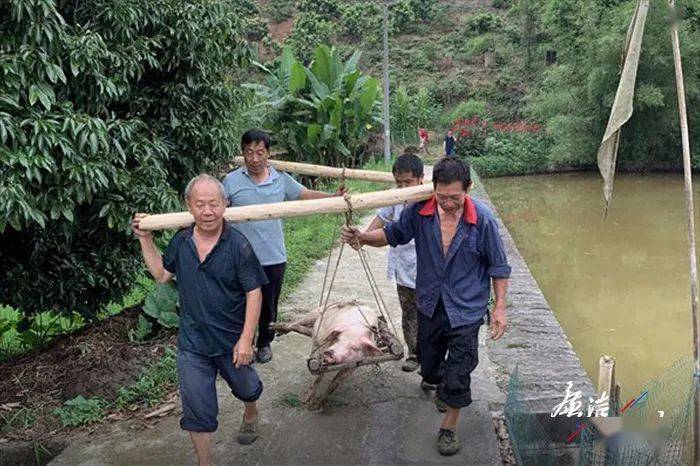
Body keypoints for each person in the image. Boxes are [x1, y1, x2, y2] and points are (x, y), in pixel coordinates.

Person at [340, 158, 510, 456]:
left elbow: (499, 266)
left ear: (468, 189)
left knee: (459, 370)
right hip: (430, 303)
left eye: (455, 197)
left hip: (467, 309)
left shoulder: (482, 220)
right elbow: (392, 236)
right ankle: (439, 379)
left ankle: (449, 425)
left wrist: (499, 308)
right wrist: (363, 237)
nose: (447, 203)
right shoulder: (420, 212)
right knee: (429, 366)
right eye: (442, 196)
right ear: (433, 189)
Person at [132, 174, 268, 466]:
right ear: (189, 207)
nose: (208, 212)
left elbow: (254, 292)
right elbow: (160, 274)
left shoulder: (238, 246)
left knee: (247, 387)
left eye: (214, 204)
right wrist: (146, 239)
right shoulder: (181, 242)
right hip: (193, 344)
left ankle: (251, 410)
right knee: (197, 412)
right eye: (200, 205)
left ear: (225, 205)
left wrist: (246, 339)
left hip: (232, 340)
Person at [223, 129, 346, 364]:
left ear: (268, 153)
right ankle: (241, 342)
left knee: (268, 304)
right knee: (238, 303)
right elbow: (218, 207)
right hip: (239, 258)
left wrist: (332, 196)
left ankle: (265, 342)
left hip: (272, 256)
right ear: (243, 154)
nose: (255, 158)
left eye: (260, 152)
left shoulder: (280, 179)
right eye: (249, 152)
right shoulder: (231, 181)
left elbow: (304, 194)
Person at [364, 153, 424, 373]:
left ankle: (433, 363)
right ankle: (415, 354)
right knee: (409, 314)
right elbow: (381, 217)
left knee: (430, 318)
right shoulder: (395, 197)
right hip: (403, 268)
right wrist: (363, 236)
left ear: (420, 178)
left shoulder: (428, 199)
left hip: (427, 269)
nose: (403, 187)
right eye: (399, 182)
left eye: (408, 182)